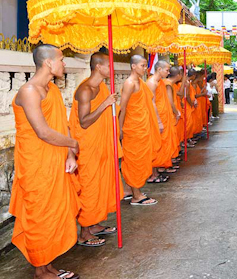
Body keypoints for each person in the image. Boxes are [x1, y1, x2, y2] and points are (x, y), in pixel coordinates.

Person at [10, 45, 80, 279]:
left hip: (55, 161)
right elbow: (43, 132)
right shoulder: (29, 91)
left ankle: (48, 266)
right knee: (40, 215)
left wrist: (70, 153)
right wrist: (73, 143)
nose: (64, 64)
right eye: (61, 59)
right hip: (36, 165)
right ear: (48, 63)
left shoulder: (52, 89)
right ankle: (40, 271)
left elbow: (62, 125)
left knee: (53, 214)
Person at [69, 52, 120, 248]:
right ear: (98, 67)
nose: (112, 69)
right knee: (89, 187)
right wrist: (105, 104)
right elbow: (84, 122)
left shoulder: (102, 87)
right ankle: (84, 233)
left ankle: (94, 224)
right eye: (109, 65)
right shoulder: (85, 90)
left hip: (101, 145)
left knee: (100, 184)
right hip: (88, 147)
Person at [119, 55, 157, 206]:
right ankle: (137, 196)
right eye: (142, 65)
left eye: (146, 65)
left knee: (139, 160)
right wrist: (119, 128)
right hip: (133, 128)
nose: (145, 68)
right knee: (135, 161)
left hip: (141, 127)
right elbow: (122, 107)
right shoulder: (130, 83)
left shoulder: (140, 82)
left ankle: (130, 190)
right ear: (133, 66)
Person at [147, 61, 178, 182]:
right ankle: (153, 175)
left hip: (163, 116)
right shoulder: (151, 83)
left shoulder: (160, 82)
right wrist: (158, 121)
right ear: (159, 69)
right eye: (167, 70)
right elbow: (152, 103)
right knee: (156, 144)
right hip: (157, 117)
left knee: (162, 144)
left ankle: (157, 171)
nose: (168, 73)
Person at [165, 67, 184, 160]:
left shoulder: (170, 84)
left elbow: (178, 95)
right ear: (178, 75)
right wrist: (176, 112)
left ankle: (172, 157)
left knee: (173, 135)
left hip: (170, 112)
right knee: (169, 137)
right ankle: (169, 158)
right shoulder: (168, 84)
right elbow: (170, 101)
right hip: (168, 113)